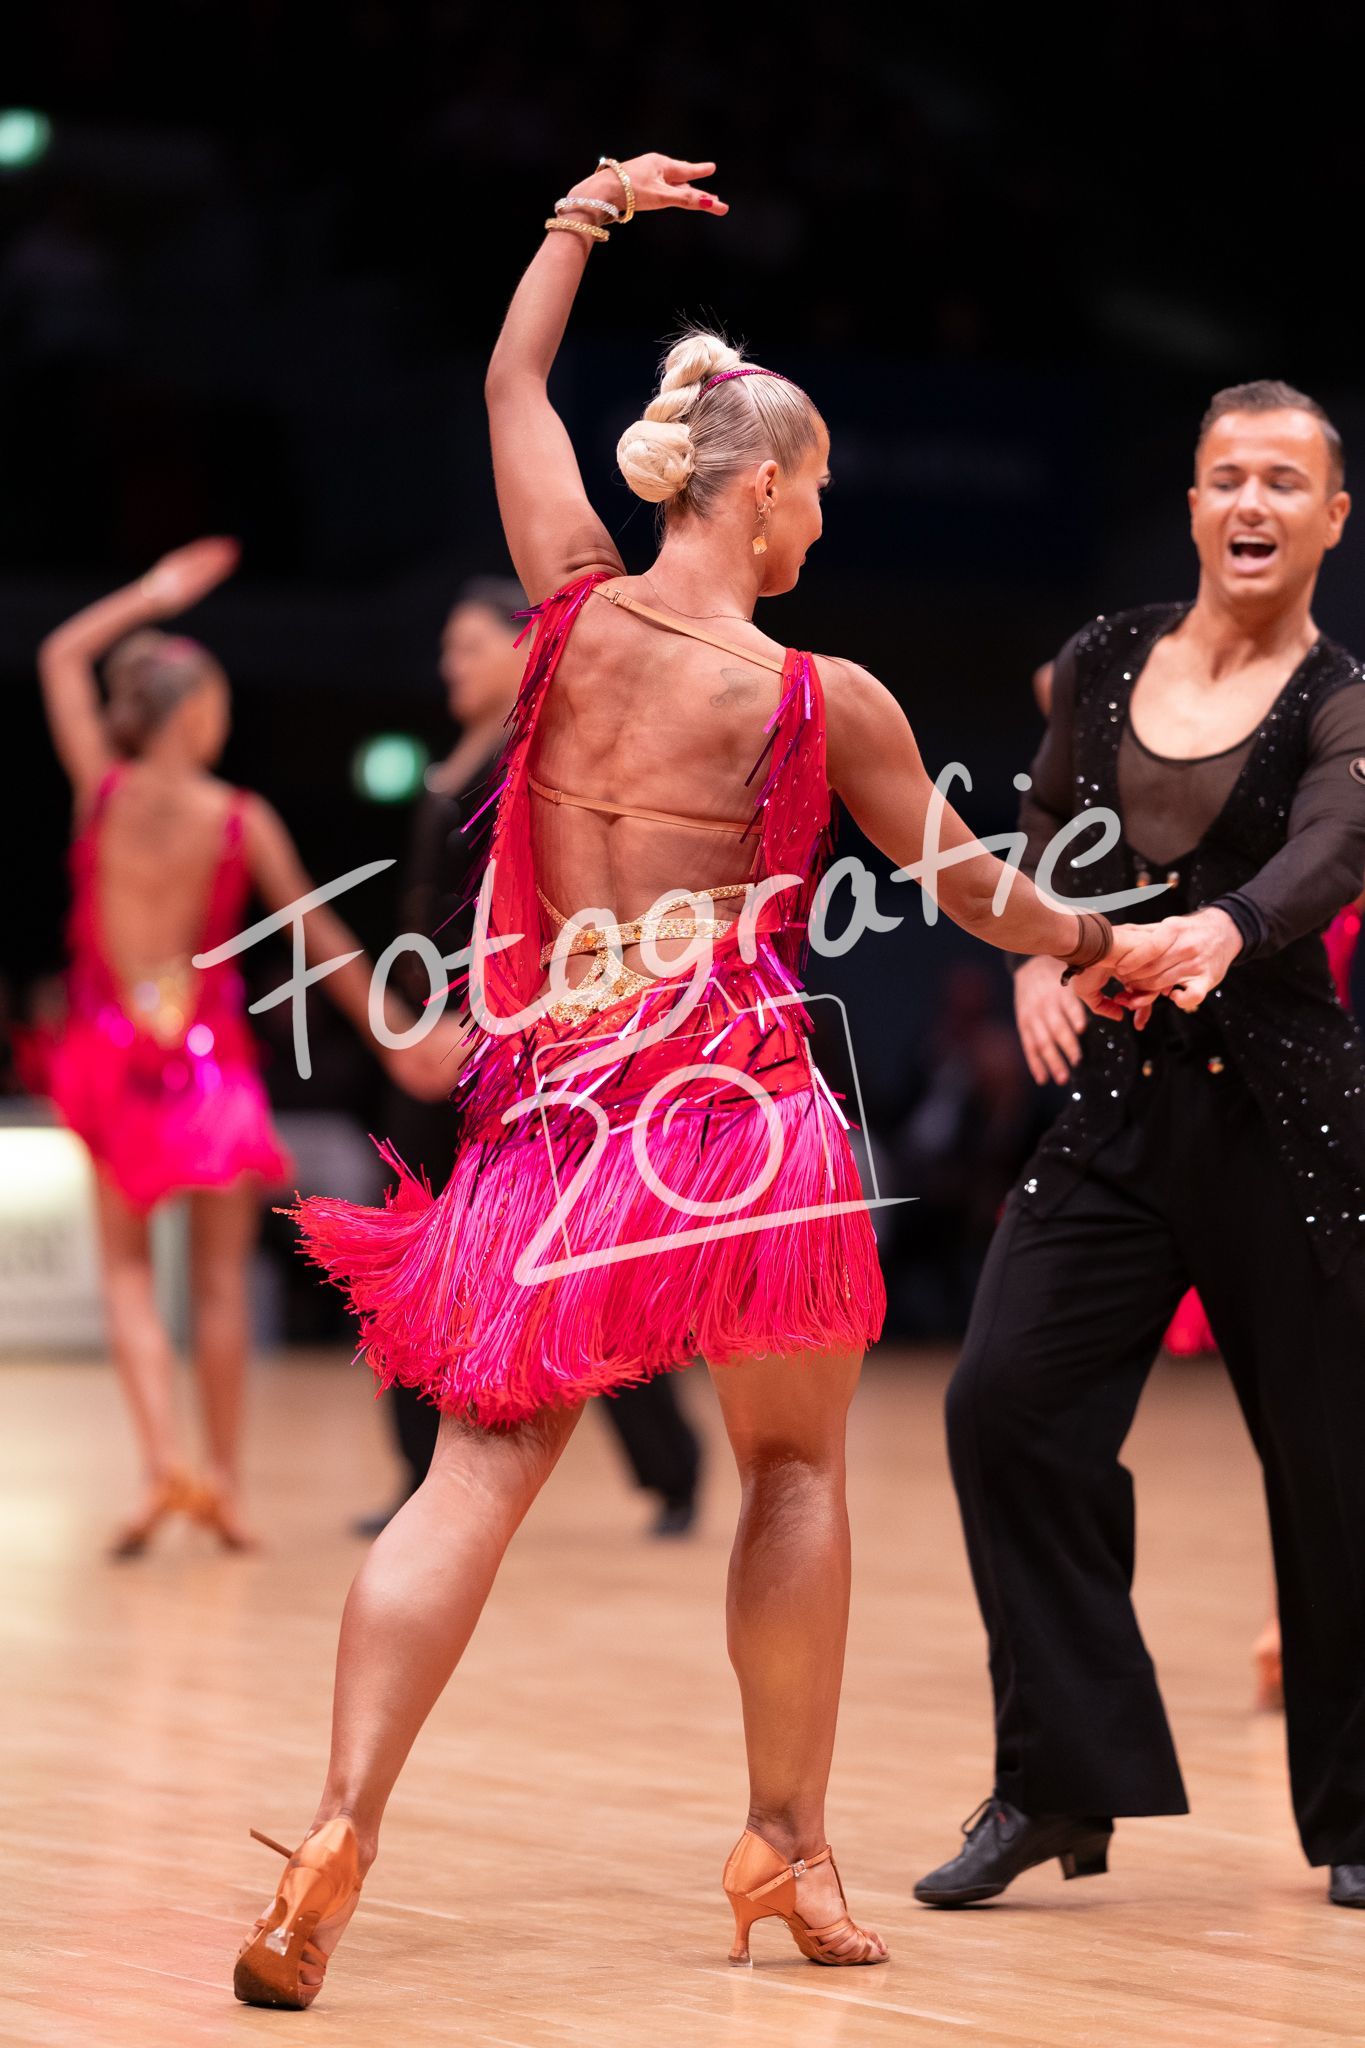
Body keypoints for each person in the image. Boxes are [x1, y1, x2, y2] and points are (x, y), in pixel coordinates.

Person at [233, 150, 1171, 2012]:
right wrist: (1104, 939)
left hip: (552, 1113)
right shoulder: (822, 696)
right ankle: (785, 1841)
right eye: (814, 485)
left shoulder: (563, 611)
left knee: (473, 1472)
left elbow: (511, 382)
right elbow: (972, 893)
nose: (822, 515)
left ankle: (337, 1828)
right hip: (736, 1125)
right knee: (797, 1465)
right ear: (758, 487)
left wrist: (580, 218)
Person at [915, 381, 1365, 1914]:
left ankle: (1357, 1807)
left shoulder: (1341, 698)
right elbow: (1050, 829)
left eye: (1283, 482)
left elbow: (1332, 850)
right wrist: (1039, 960)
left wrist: (1228, 928)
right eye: (1227, 476)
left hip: (1289, 1119)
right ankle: (1059, 1779)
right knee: (1004, 1404)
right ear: (1190, 504)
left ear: (1329, 518)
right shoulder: (1106, 657)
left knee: (1332, 1466)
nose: (1252, 503)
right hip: (1116, 1108)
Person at [33, 539, 453, 1556]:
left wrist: (151, 592)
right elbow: (322, 934)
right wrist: (397, 1037)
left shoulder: (102, 791)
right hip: (210, 1060)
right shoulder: (237, 817)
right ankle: (222, 1480)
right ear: (192, 714)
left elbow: (58, 655)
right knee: (218, 1282)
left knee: (129, 1274)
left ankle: (160, 1466)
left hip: (111, 1046)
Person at [357, 577, 703, 1538]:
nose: (449, 664)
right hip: (433, 1039)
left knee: (578, 1260)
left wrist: (498, 1028)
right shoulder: (459, 760)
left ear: (521, 648)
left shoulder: (540, 760)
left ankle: (672, 1471)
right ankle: (416, 1471)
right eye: (446, 648)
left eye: (467, 645)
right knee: (415, 1258)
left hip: (516, 1044)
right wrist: (412, 1026)